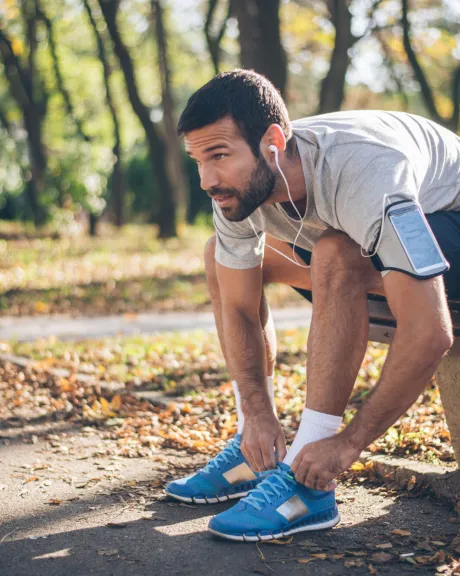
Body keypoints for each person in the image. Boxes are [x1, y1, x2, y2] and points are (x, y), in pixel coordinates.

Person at [166, 69, 460, 542]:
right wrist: (258, 412)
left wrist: (346, 445)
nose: (207, 179)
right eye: (198, 160)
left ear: (274, 142)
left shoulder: (366, 173)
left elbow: (429, 331)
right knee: (221, 258)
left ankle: (309, 485)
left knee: (336, 254)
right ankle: (252, 450)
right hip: (383, 239)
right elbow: (239, 307)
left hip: (452, 226)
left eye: (219, 156)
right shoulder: (242, 191)